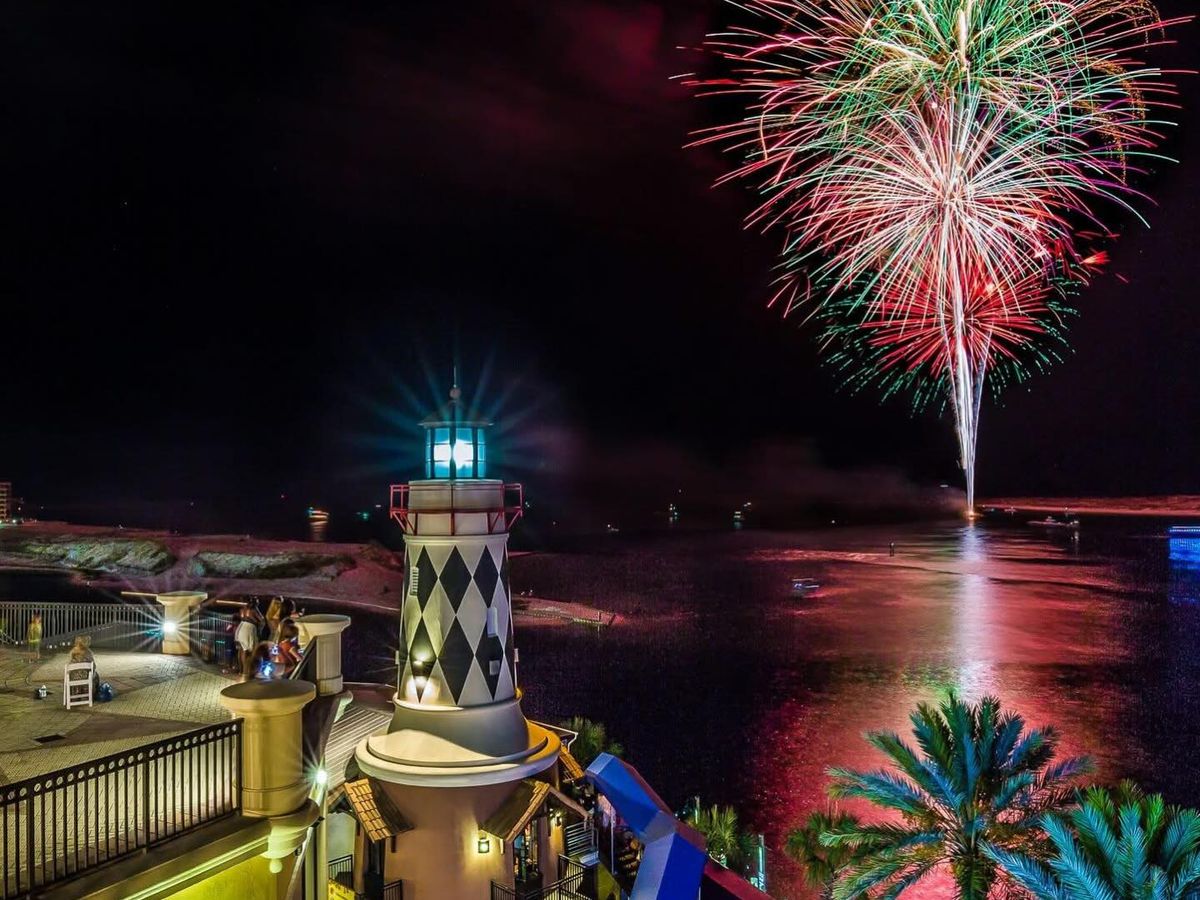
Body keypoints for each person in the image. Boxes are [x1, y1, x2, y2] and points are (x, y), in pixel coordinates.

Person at [234, 608, 258, 676]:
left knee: (241, 649)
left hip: (241, 626)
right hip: (248, 628)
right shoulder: (253, 610)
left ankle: (241, 671)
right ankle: (245, 672)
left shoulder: (242, 610)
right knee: (245, 650)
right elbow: (260, 619)